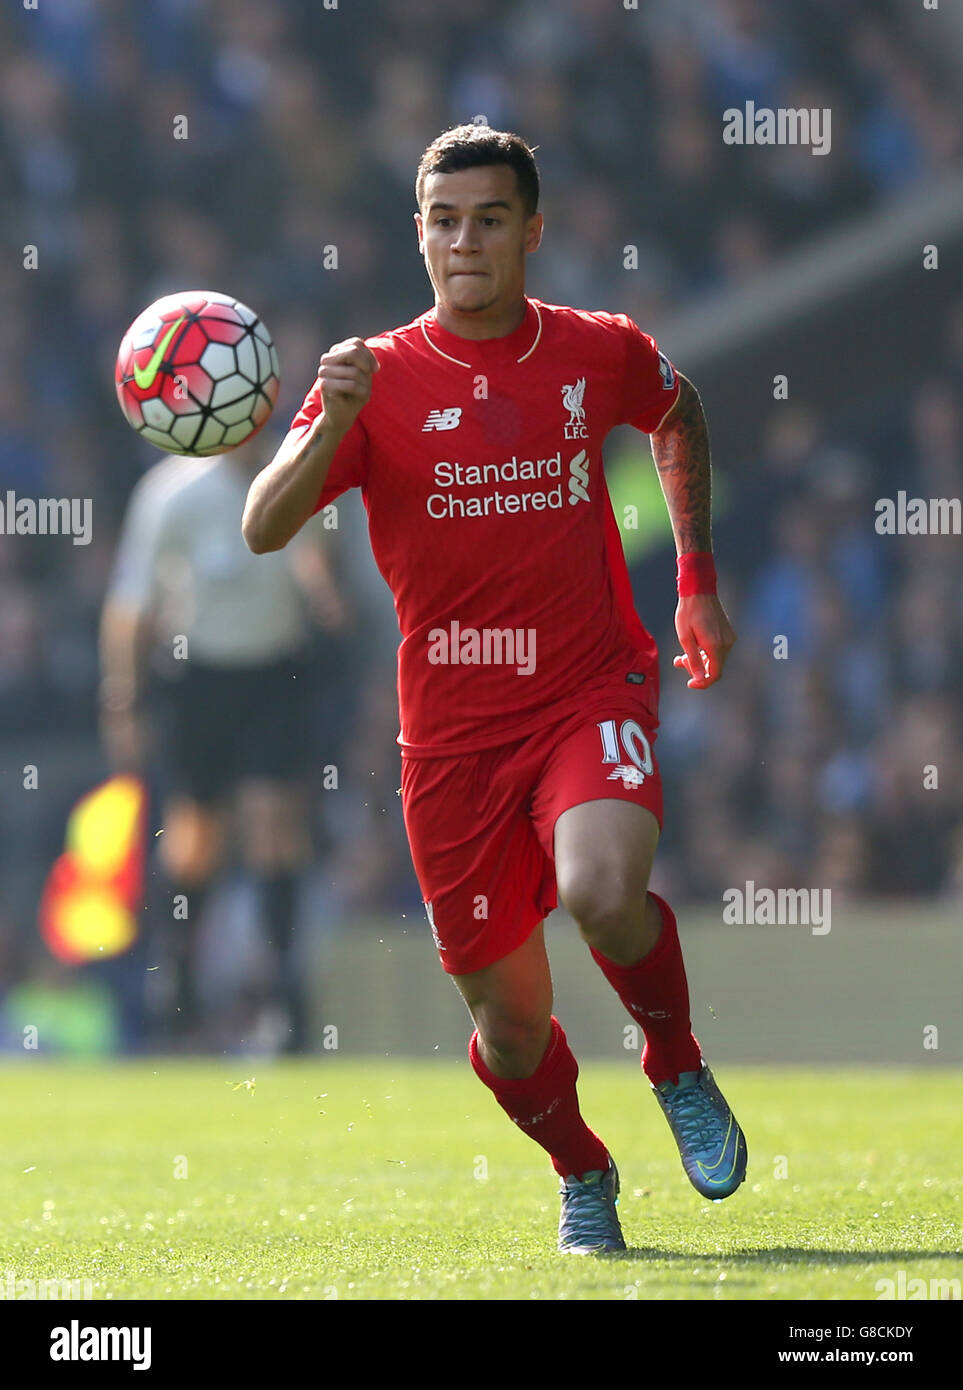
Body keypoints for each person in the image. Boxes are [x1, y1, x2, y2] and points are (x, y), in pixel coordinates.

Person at [242, 124, 747, 1252]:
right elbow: (264, 525)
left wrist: (697, 583)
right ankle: (583, 1168)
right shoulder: (371, 377)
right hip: (452, 739)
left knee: (603, 887)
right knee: (512, 1030)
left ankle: (676, 1063)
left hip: (586, 687)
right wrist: (327, 422)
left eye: (487, 218)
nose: (464, 239)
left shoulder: (593, 349)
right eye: (443, 219)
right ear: (417, 232)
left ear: (531, 230)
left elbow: (679, 411)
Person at [100, 435, 347, 1053]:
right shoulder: (171, 493)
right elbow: (132, 603)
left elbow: (314, 568)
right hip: (199, 680)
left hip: (274, 675)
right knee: (196, 837)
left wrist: (329, 602)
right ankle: (178, 980)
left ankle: (283, 992)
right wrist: (123, 697)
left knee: (275, 826)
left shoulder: (295, 479)